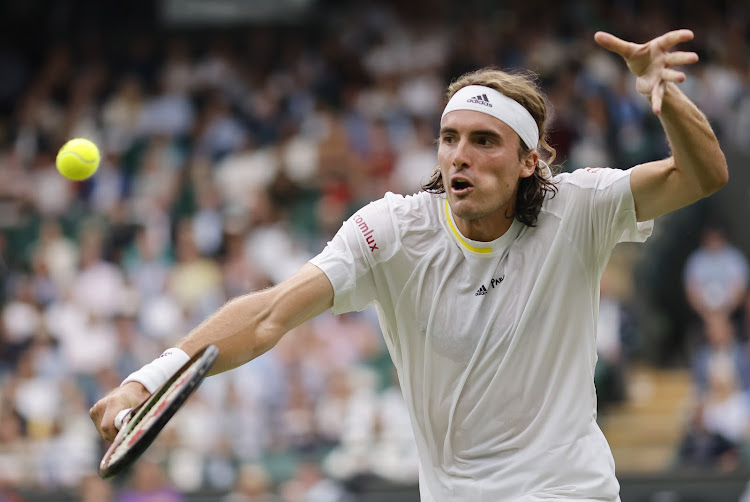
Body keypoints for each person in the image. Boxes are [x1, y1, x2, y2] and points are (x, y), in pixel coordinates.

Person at [91, 29, 728, 501]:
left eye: (485, 142)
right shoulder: (392, 231)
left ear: (530, 161)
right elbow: (268, 315)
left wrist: (665, 96)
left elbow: (702, 174)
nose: (460, 157)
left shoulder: (580, 207)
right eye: (450, 139)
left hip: (569, 490)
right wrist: (148, 381)